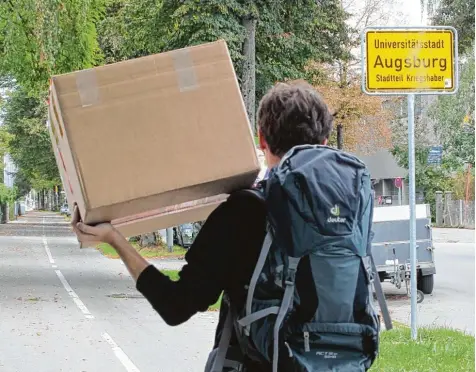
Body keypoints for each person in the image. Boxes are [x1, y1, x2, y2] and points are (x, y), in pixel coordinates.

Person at [72, 81, 334, 371]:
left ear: (261, 140)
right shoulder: (343, 211)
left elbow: (175, 307)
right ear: (324, 143)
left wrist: (115, 239)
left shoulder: (245, 211)